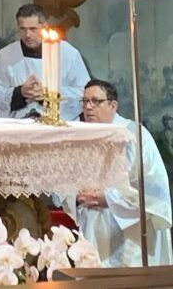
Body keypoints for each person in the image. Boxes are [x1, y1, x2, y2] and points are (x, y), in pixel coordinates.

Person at [62, 79, 172, 267]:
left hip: (132, 234)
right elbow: (63, 182)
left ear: (113, 105)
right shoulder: (80, 138)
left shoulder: (135, 135)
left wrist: (110, 199)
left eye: (95, 101)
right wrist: (76, 197)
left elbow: (154, 189)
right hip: (95, 230)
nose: (88, 107)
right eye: (85, 101)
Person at [0, 4, 90, 121]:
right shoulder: (6, 55)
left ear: (45, 27)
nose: (27, 35)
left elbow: (84, 93)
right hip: (18, 124)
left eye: (33, 29)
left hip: (58, 124)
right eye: (23, 29)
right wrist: (19, 93)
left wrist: (48, 94)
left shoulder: (68, 54)